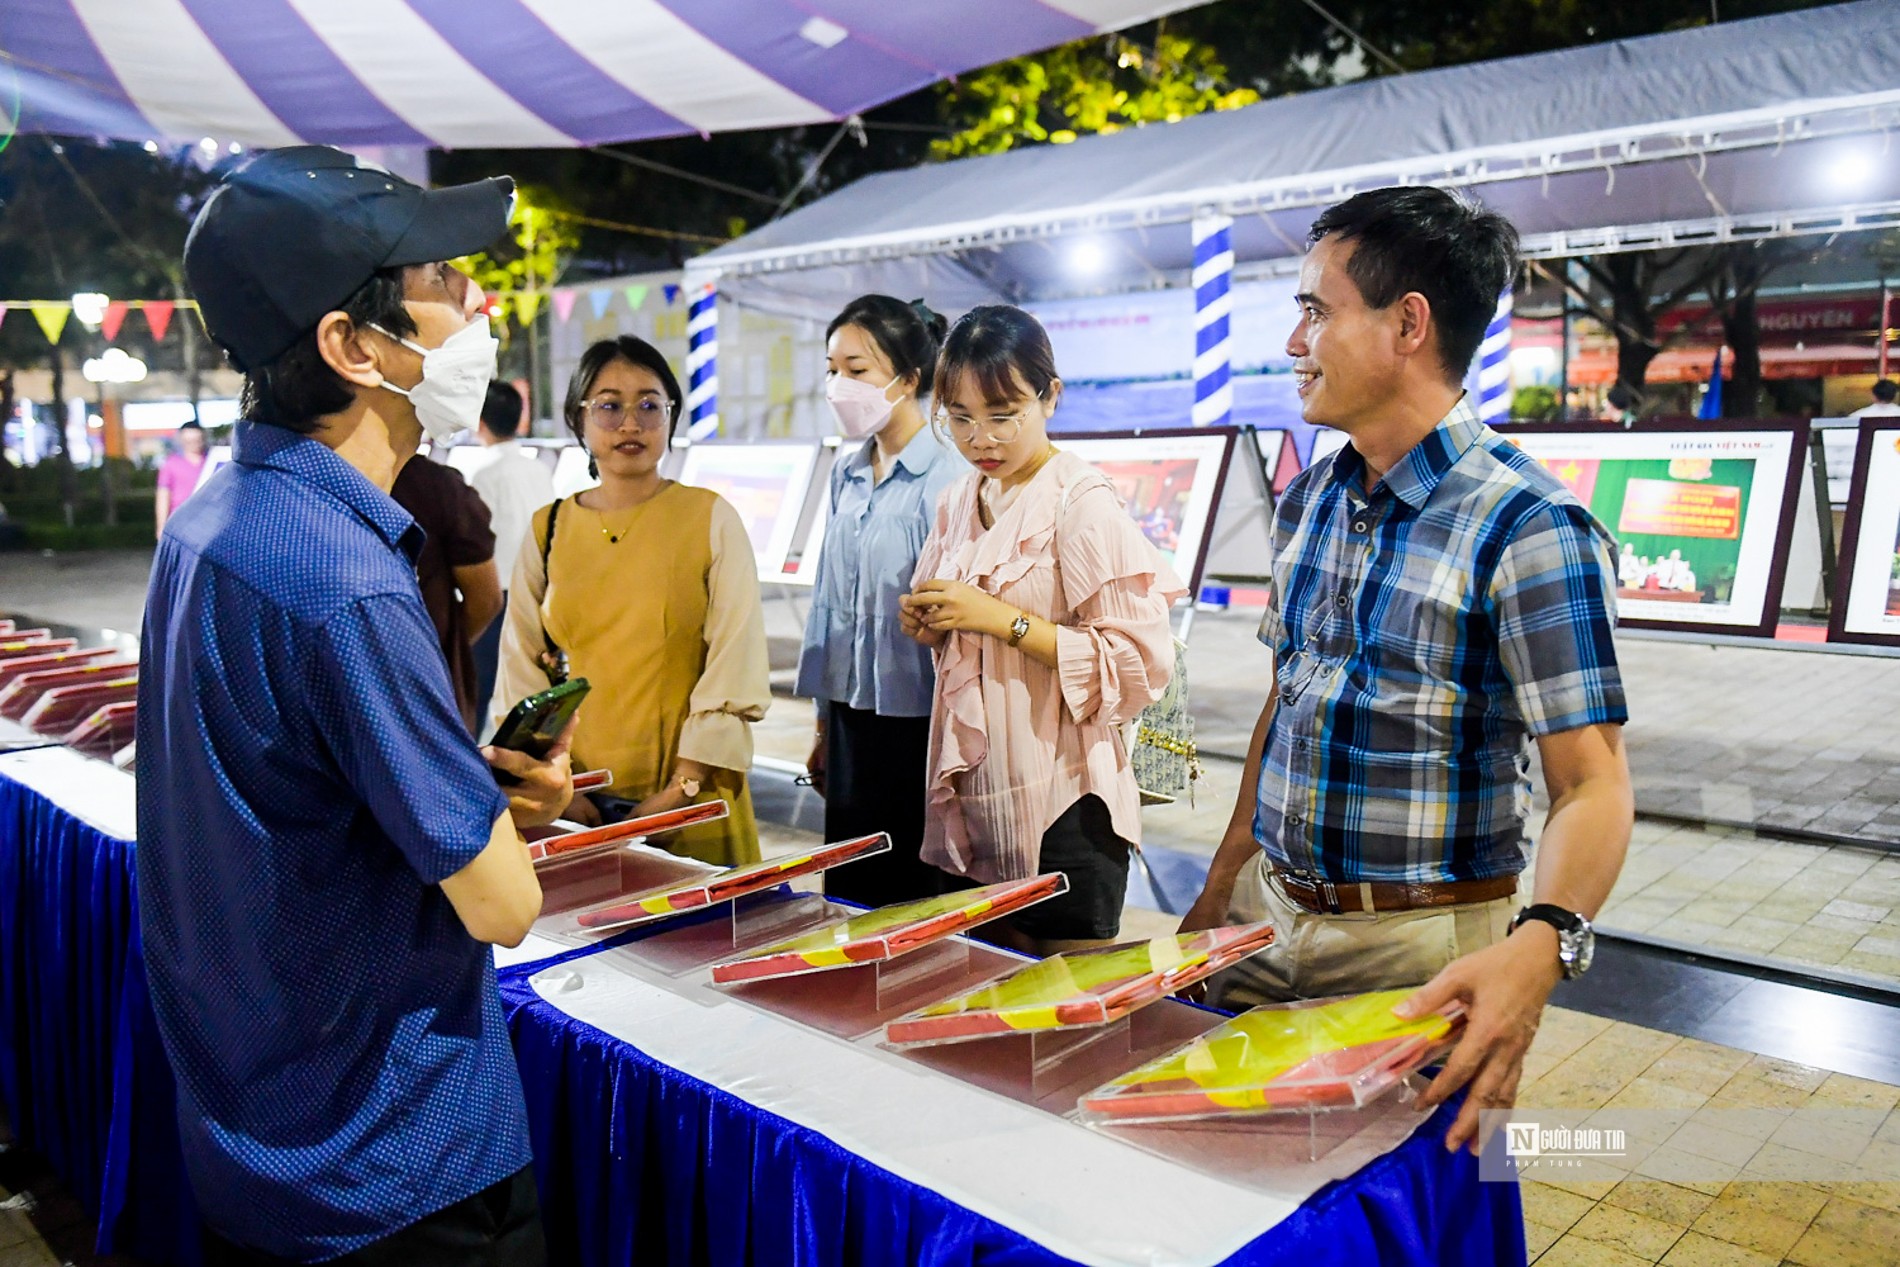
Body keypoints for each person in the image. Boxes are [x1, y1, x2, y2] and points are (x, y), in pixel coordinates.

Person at [139, 146, 570, 1263]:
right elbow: (502, 906)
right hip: (397, 1169)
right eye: (440, 282)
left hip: (256, 1140)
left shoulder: (209, 526)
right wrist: (517, 816)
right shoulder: (346, 579)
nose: (476, 303)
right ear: (351, 346)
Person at [1178, 186, 1633, 1155]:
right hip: (1270, 915)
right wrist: (1222, 885)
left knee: (1397, 1213)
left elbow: (1591, 785)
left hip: (1417, 953)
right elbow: (1285, 701)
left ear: (1408, 324)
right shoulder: (1310, 501)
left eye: (1315, 309)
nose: (1293, 341)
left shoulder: (1528, 527)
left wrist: (1542, 942)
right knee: (1233, 1198)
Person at [901, 306, 1186, 950]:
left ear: (1050, 397)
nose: (982, 440)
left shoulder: (1078, 501)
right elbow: (959, 624)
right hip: (976, 798)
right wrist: (935, 623)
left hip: (1064, 805)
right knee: (978, 1007)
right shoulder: (957, 499)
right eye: (960, 418)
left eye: (1003, 416)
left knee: (1064, 1021)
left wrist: (1000, 620)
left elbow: (1140, 661)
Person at [495, 335, 769, 866]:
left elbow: (737, 661)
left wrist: (681, 790)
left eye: (650, 405)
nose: (630, 423)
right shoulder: (548, 527)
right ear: (579, 419)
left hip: (694, 797)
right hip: (577, 806)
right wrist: (562, 791)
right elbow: (521, 666)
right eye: (609, 405)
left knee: (699, 940)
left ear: (670, 418)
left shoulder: (710, 518)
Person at [795, 295, 961, 908]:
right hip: (848, 712)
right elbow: (830, 602)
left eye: (857, 369)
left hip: (919, 718)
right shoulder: (847, 470)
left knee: (910, 893)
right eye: (832, 368)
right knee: (849, 882)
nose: (839, 384)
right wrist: (821, 722)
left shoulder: (948, 475)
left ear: (909, 378)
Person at [391, 454, 502, 733]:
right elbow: (486, 598)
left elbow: (486, 598)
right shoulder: (433, 484)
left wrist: (442, 652)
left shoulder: (433, 485)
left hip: (427, 685)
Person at [469, 380, 554, 720]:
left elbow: (476, 541)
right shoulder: (539, 470)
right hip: (537, 592)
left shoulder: (484, 476)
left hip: (497, 595)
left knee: (481, 688)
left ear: (480, 422)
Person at [154, 419, 209, 530]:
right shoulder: (171, 464)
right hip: (180, 524)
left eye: (197, 440)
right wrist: (161, 527)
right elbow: (163, 495)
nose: (193, 444)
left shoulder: (212, 461)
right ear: (182, 440)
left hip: (208, 521)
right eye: (189, 441)